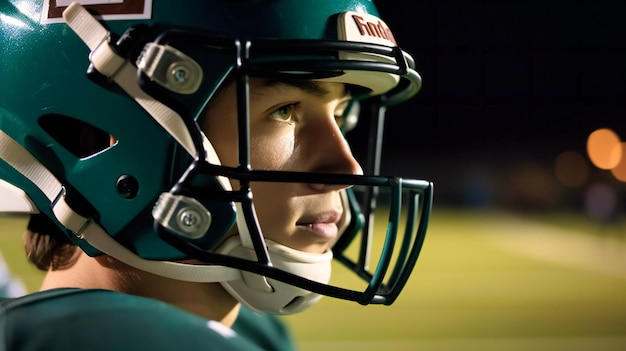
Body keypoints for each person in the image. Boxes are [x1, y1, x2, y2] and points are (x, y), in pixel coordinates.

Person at [0, 1, 433, 350]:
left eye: (340, 115)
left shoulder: (251, 331)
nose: (347, 170)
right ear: (101, 134)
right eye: (284, 110)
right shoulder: (127, 338)